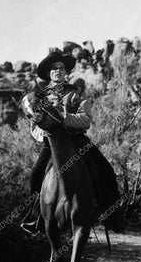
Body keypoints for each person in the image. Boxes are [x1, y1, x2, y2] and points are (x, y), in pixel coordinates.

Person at [20, 51, 123, 234]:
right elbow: (33, 126)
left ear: (66, 71)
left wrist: (64, 117)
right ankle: (35, 217)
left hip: (77, 141)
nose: (58, 71)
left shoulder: (76, 94)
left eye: (61, 68)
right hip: (51, 143)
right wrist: (44, 134)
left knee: (105, 169)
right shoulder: (41, 97)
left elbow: (86, 120)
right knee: (36, 174)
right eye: (54, 68)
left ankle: (113, 216)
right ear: (48, 73)